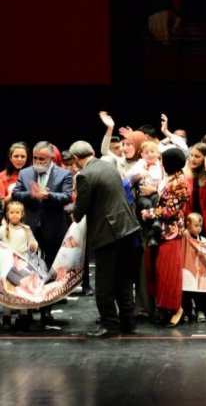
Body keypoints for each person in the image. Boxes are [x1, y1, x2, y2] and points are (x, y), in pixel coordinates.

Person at [68, 140, 141, 337]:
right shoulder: (109, 165)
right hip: (128, 227)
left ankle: (109, 325)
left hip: (108, 233)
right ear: (92, 151)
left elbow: (80, 210)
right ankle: (128, 323)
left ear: (75, 158)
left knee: (104, 283)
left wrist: (73, 212)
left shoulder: (84, 175)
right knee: (124, 280)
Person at [11, 141, 73, 326]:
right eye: (35, 158)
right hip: (30, 227)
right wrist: (31, 195)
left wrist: (48, 195)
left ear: (51, 158)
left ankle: (47, 310)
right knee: (26, 269)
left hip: (53, 227)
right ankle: (27, 311)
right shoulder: (25, 173)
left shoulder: (64, 174)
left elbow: (67, 197)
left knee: (51, 269)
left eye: (42, 159)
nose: (37, 161)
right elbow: (16, 194)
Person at [141, 148, 190, 327]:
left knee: (168, 272)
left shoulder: (180, 182)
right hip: (161, 232)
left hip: (171, 232)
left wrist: (149, 213)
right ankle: (163, 307)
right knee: (158, 272)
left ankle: (175, 308)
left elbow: (171, 211)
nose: (161, 163)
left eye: (164, 160)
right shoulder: (169, 178)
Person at [0, 200, 38, 330]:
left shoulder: (26, 230)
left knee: (22, 290)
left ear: (22, 214)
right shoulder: (2, 229)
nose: (14, 215)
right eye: (11, 212)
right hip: (7, 264)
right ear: (7, 214)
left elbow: (33, 246)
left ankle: (24, 316)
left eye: (17, 212)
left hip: (22, 264)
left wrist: (32, 244)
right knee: (8, 290)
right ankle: (6, 317)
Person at [181, 212, 206, 323]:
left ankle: (200, 311)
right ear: (188, 224)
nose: (199, 228)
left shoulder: (202, 239)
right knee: (185, 293)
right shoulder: (182, 237)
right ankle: (186, 312)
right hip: (186, 271)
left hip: (198, 272)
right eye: (196, 225)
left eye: (201, 226)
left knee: (200, 292)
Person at [0, 141, 30, 206]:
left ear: (27, 158)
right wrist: (15, 193)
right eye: (16, 156)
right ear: (10, 158)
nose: (19, 159)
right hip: (9, 211)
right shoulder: (1, 176)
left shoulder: (34, 174)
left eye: (23, 156)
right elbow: (1, 205)